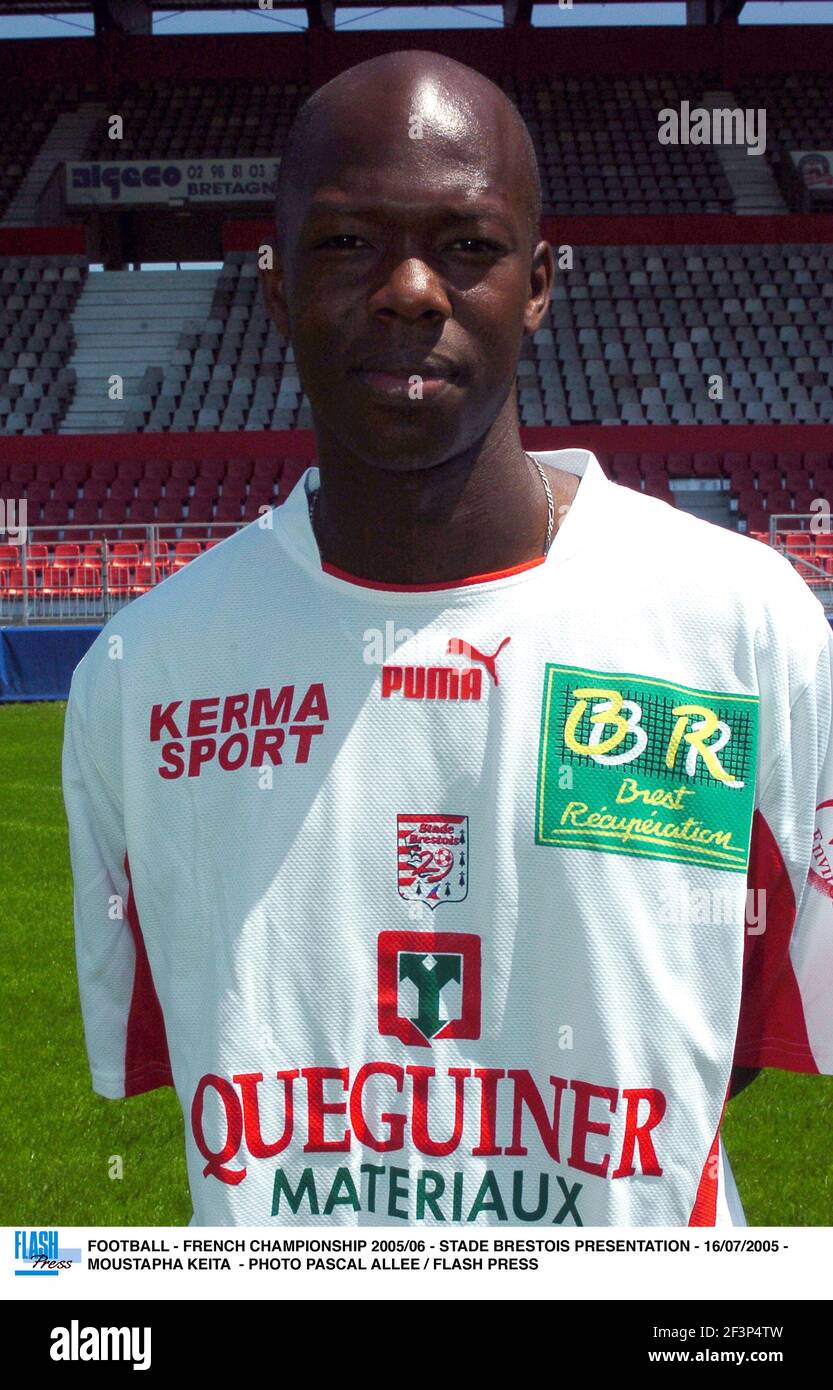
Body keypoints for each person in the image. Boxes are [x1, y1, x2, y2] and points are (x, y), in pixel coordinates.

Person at [63, 50, 833, 1228]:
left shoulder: (738, 626)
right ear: (273, 287)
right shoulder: (144, 674)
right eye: (344, 243)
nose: (410, 289)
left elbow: (714, 1042)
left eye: (467, 243)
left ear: (538, 282)